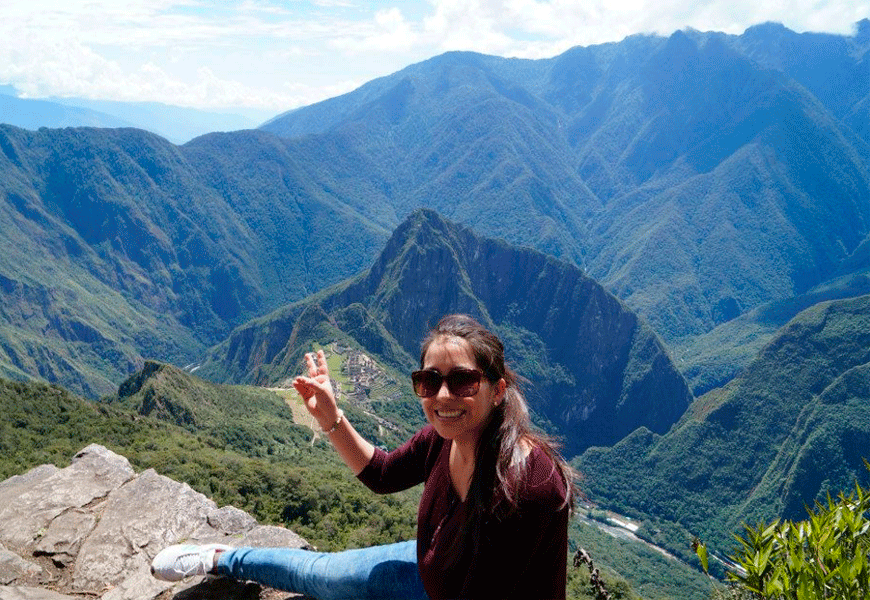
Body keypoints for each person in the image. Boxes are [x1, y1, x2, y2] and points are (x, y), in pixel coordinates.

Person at [152, 314, 575, 599]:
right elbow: (383, 474)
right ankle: (220, 558)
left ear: (497, 390)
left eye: (463, 381)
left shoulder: (529, 484)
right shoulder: (442, 439)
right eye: (429, 381)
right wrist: (332, 418)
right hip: (430, 568)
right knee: (317, 574)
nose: (443, 396)